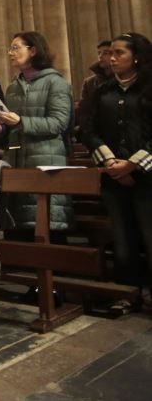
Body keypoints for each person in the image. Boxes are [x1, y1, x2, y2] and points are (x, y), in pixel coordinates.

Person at [79, 32, 152, 314]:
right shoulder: (103, 91)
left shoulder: (147, 88)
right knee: (122, 238)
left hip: (147, 175)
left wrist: (133, 165)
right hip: (113, 176)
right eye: (111, 53)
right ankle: (126, 291)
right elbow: (88, 128)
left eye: (119, 53)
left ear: (137, 57)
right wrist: (111, 164)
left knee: (149, 233)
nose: (112, 58)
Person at [0, 31, 74, 233]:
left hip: (46, 160)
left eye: (16, 48)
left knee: (45, 228)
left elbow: (59, 123)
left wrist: (21, 121)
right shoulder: (12, 88)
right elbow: (12, 129)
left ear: (33, 50)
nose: (10, 53)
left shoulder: (56, 83)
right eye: (10, 49)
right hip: (17, 161)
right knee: (18, 230)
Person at [75, 40, 113, 137]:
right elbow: (84, 111)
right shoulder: (90, 83)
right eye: (99, 53)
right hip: (97, 134)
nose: (101, 56)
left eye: (106, 53)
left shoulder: (123, 79)